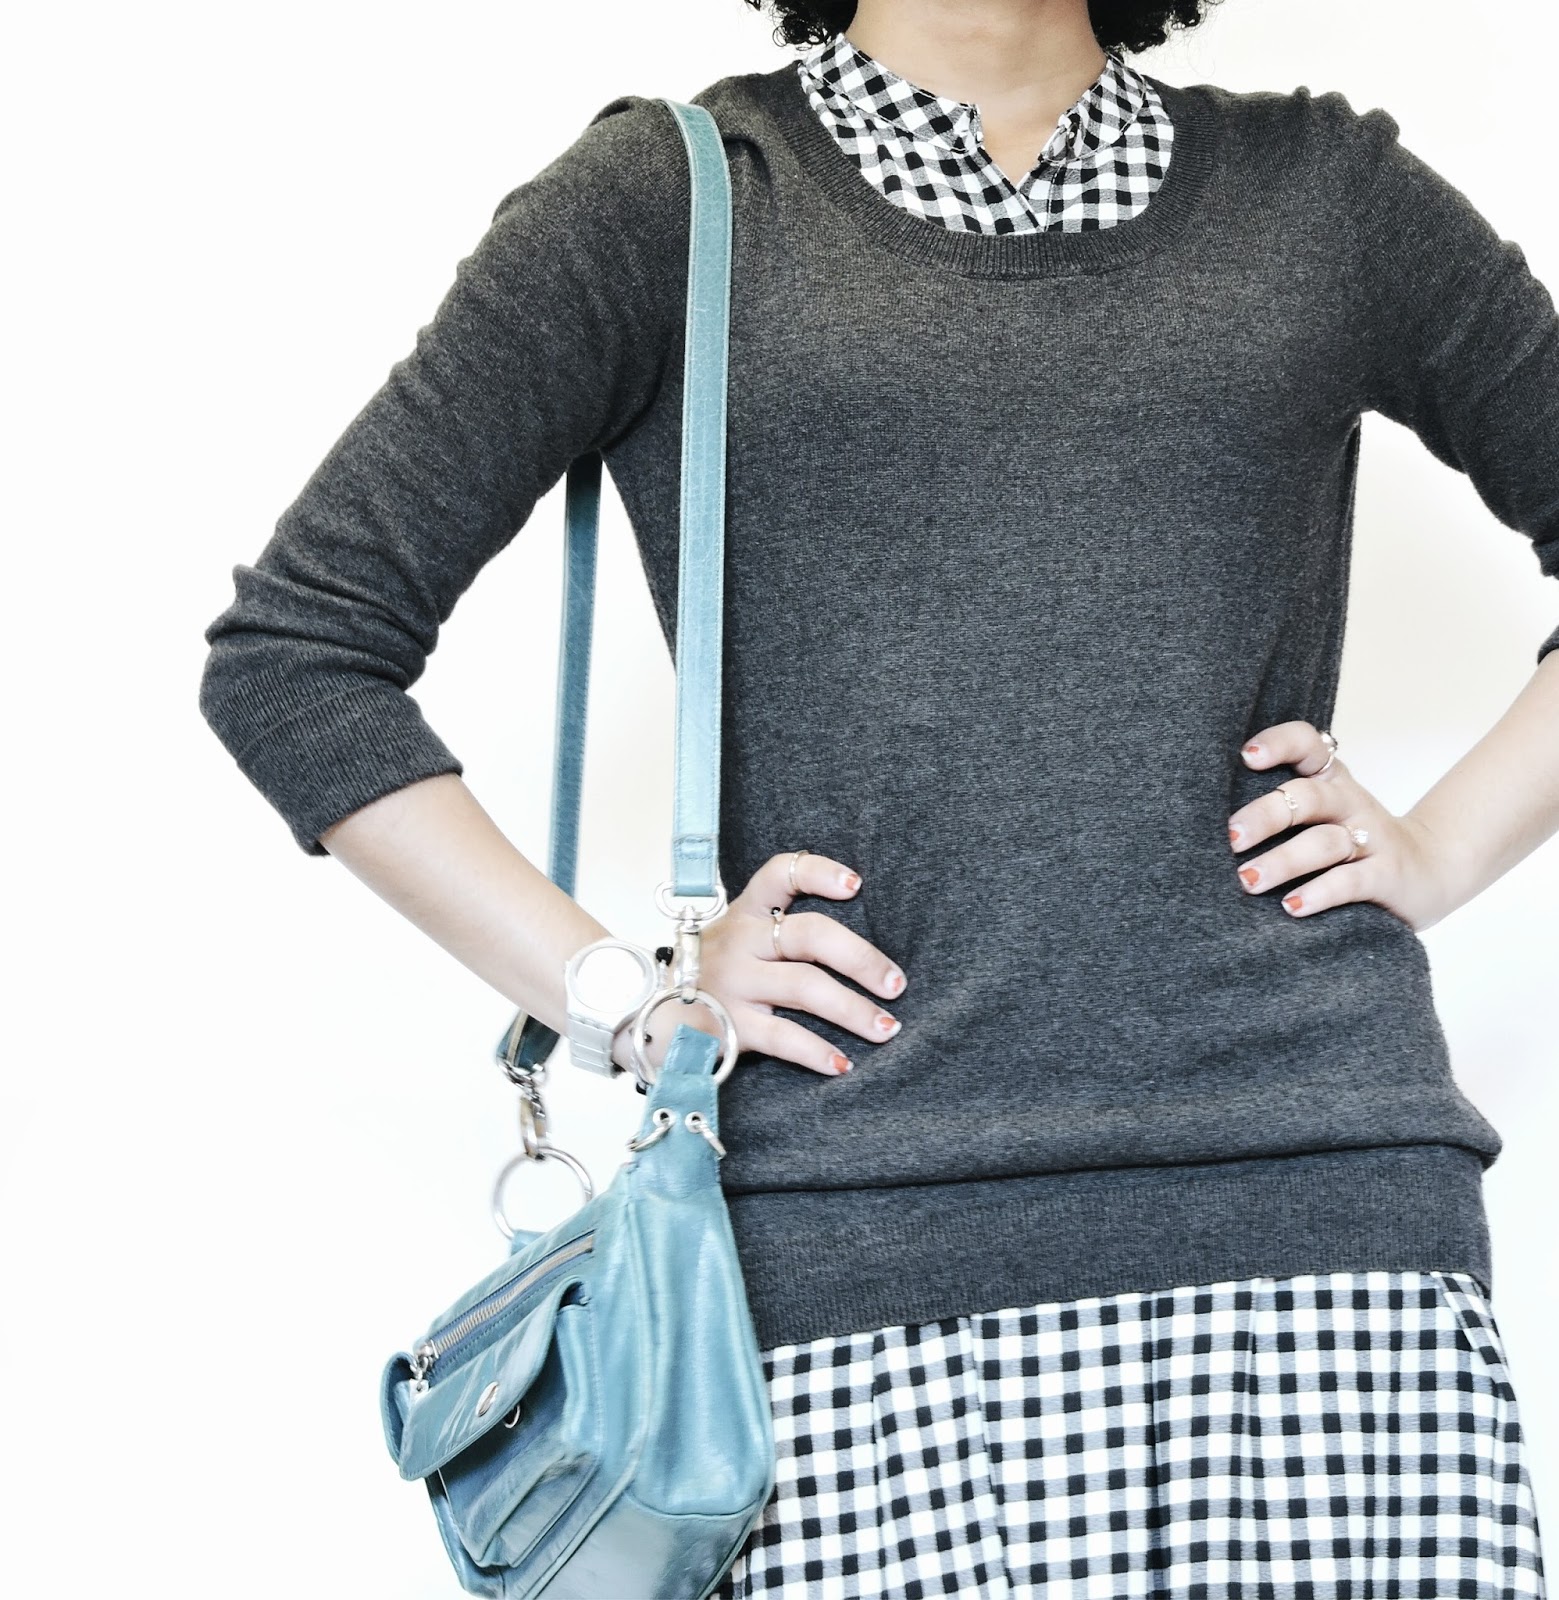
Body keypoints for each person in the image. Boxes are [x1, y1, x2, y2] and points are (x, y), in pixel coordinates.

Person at [198, 0, 1554, 1593]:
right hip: (854, 1268)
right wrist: (625, 998)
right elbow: (297, 656)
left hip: (1325, 1236)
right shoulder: (670, 203)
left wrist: (1443, 850)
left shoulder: (1327, 196)